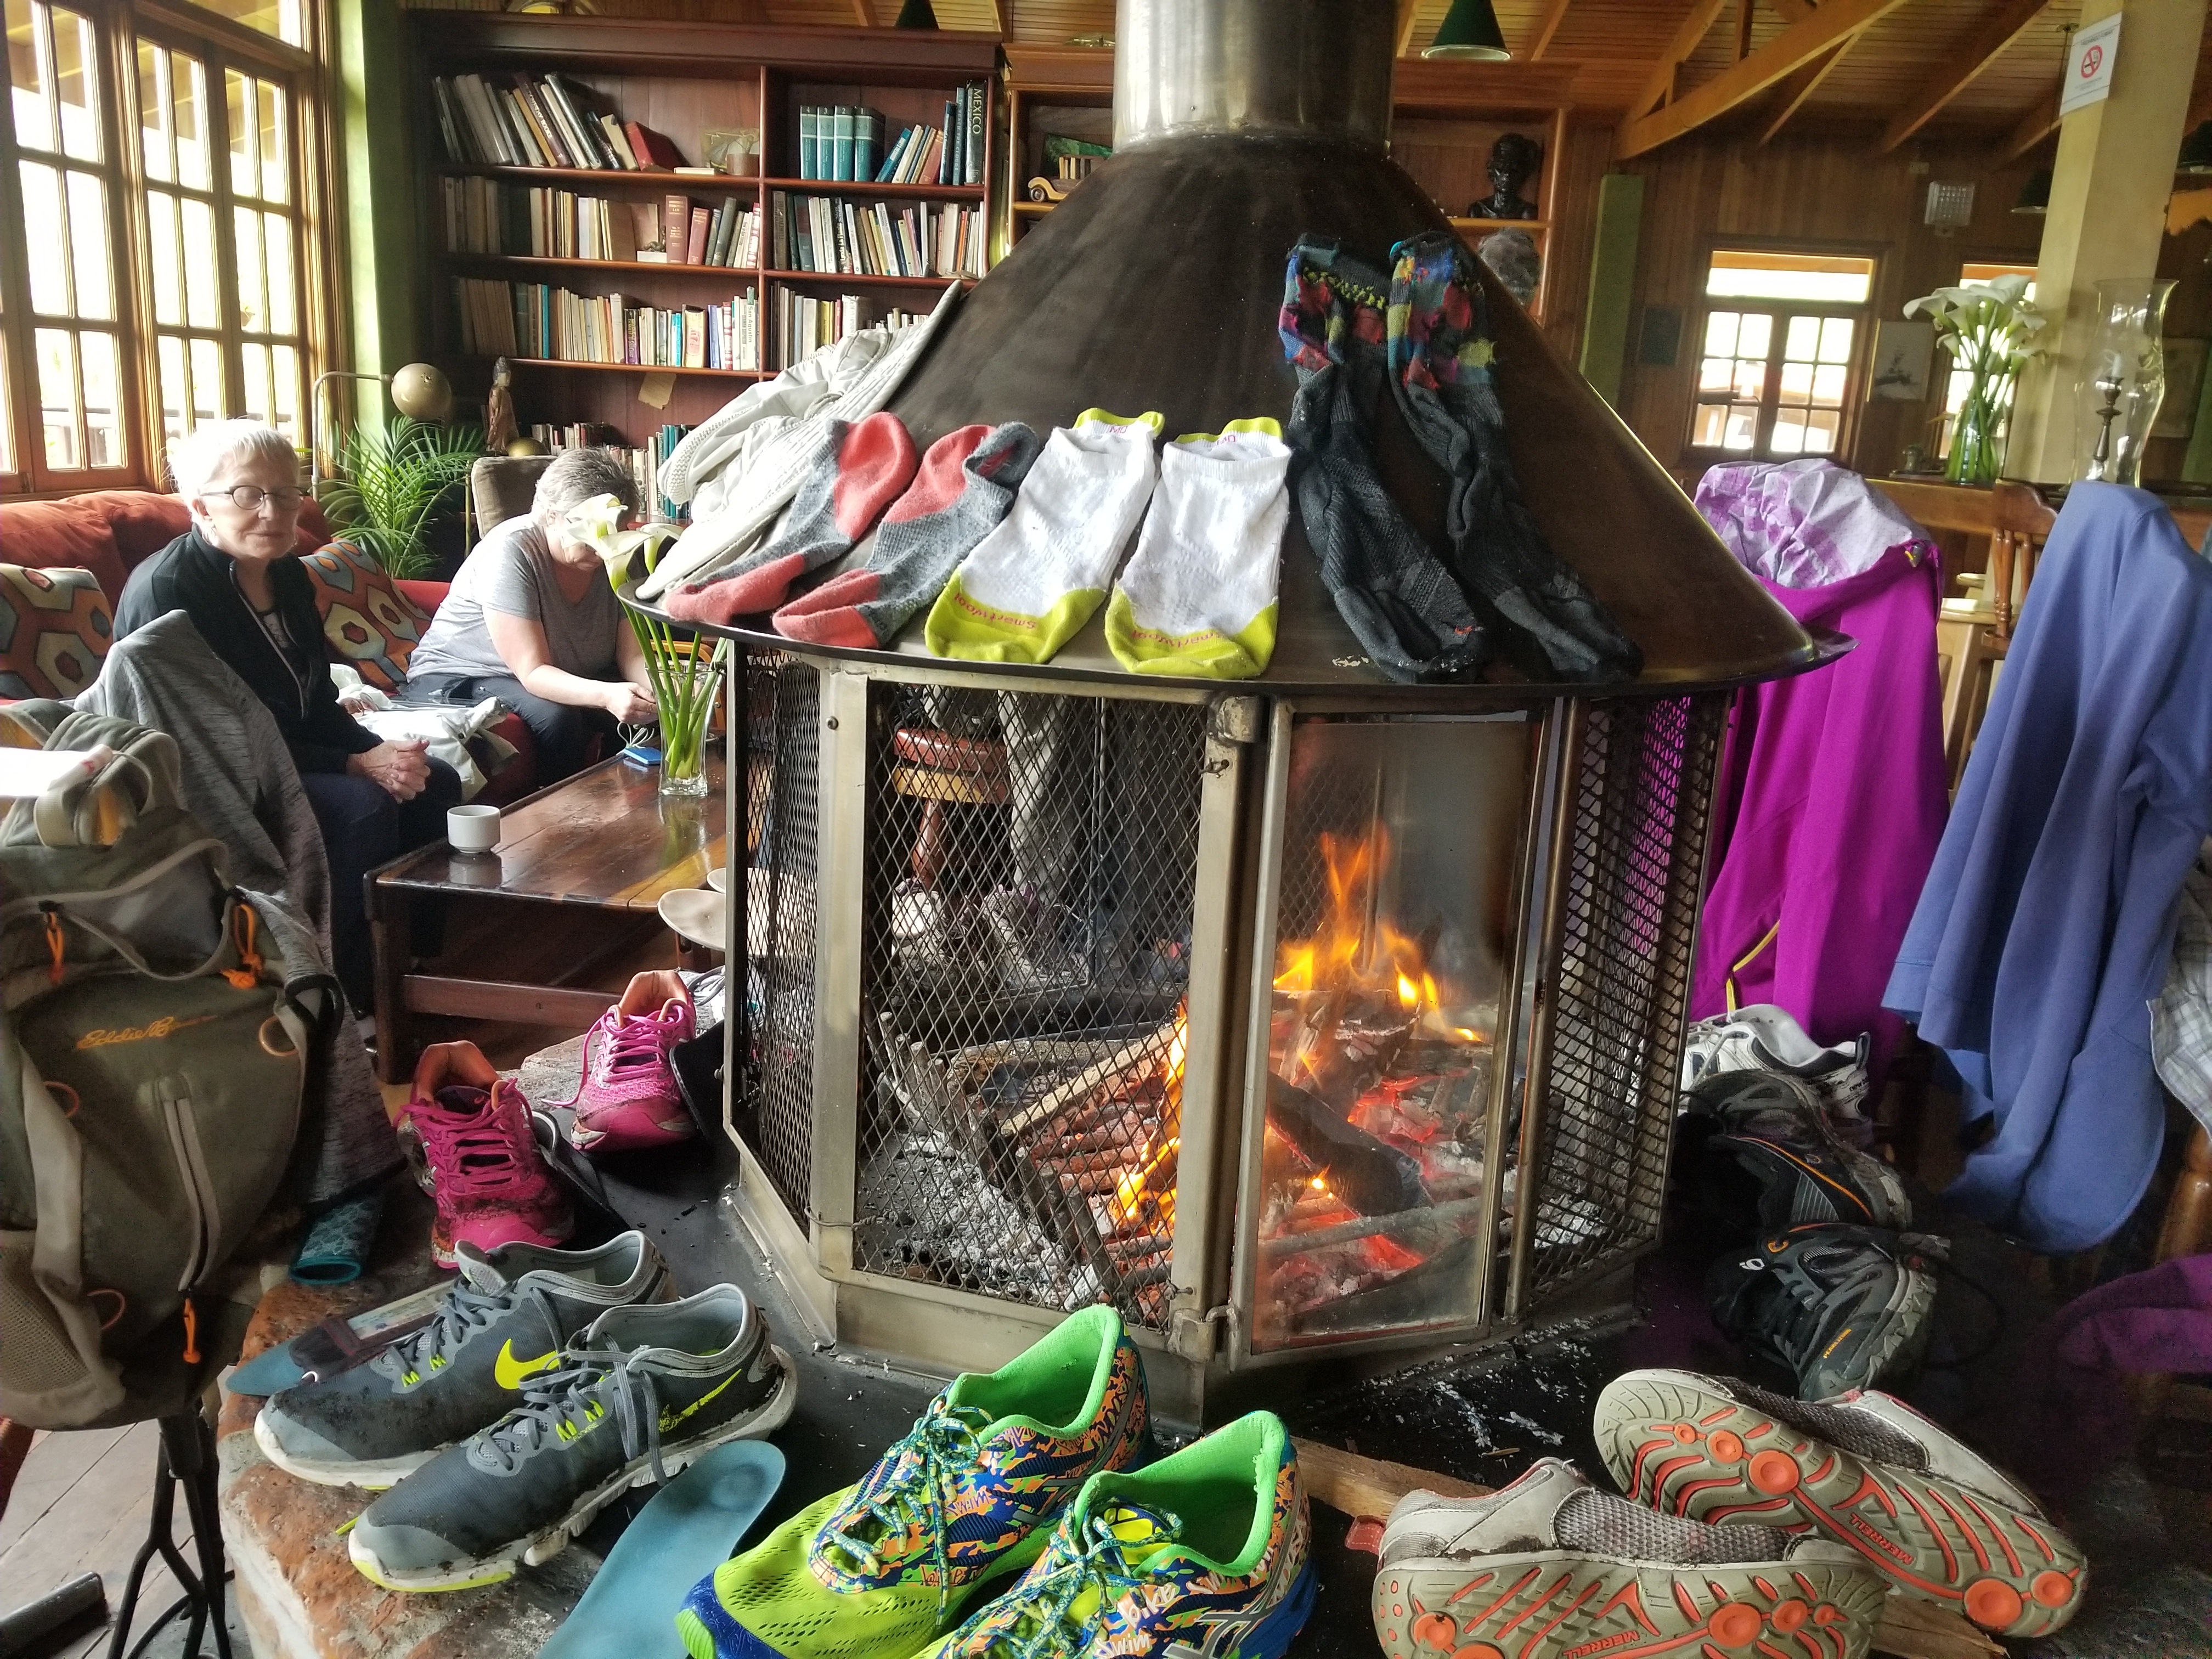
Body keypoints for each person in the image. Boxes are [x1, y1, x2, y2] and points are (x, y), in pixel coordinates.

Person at [117, 419, 461, 1011]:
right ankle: (350, 995)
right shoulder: (170, 593)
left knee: (435, 783)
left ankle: (409, 967)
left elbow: (315, 699)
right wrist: (354, 765)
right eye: (249, 494)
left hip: (290, 753)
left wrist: (381, 752)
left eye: (287, 492)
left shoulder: (290, 576)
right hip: (205, 774)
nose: (274, 512)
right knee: (363, 808)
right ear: (201, 505)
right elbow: (206, 740)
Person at [401, 448, 657, 783]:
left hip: (550, 674)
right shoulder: (510, 550)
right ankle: (559, 824)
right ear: (550, 514)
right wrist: (607, 695)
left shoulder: (621, 552)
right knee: (558, 719)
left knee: (649, 715)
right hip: (459, 677)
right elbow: (533, 671)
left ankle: (629, 815)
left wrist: (665, 692)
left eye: (617, 528)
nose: (604, 542)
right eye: (591, 527)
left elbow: (632, 656)